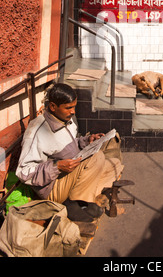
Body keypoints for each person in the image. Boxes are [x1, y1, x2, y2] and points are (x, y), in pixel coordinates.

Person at [16, 83, 124, 222]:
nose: (73, 112)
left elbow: (69, 145)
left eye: (74, 107)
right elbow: (23, 172)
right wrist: (56, 167)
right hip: (52, 187)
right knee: (97, 158)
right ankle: (73, 203)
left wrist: (86, 141)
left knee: (113, 164)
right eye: (68, 108)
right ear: (53, 106)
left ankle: (82, 198)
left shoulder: (66, 120)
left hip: (70, 174)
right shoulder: (38, 131)